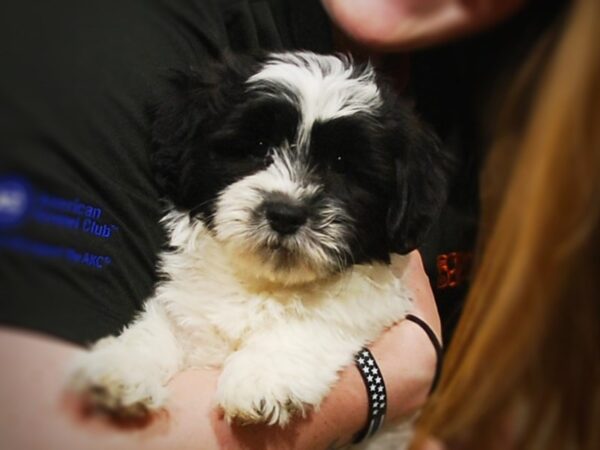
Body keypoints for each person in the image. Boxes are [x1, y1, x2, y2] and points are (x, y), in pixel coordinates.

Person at [0, 1, 440, 448]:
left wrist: (293, 356)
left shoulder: (367, 304)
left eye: (342, 171)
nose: (288, 199)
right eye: (258, 151)